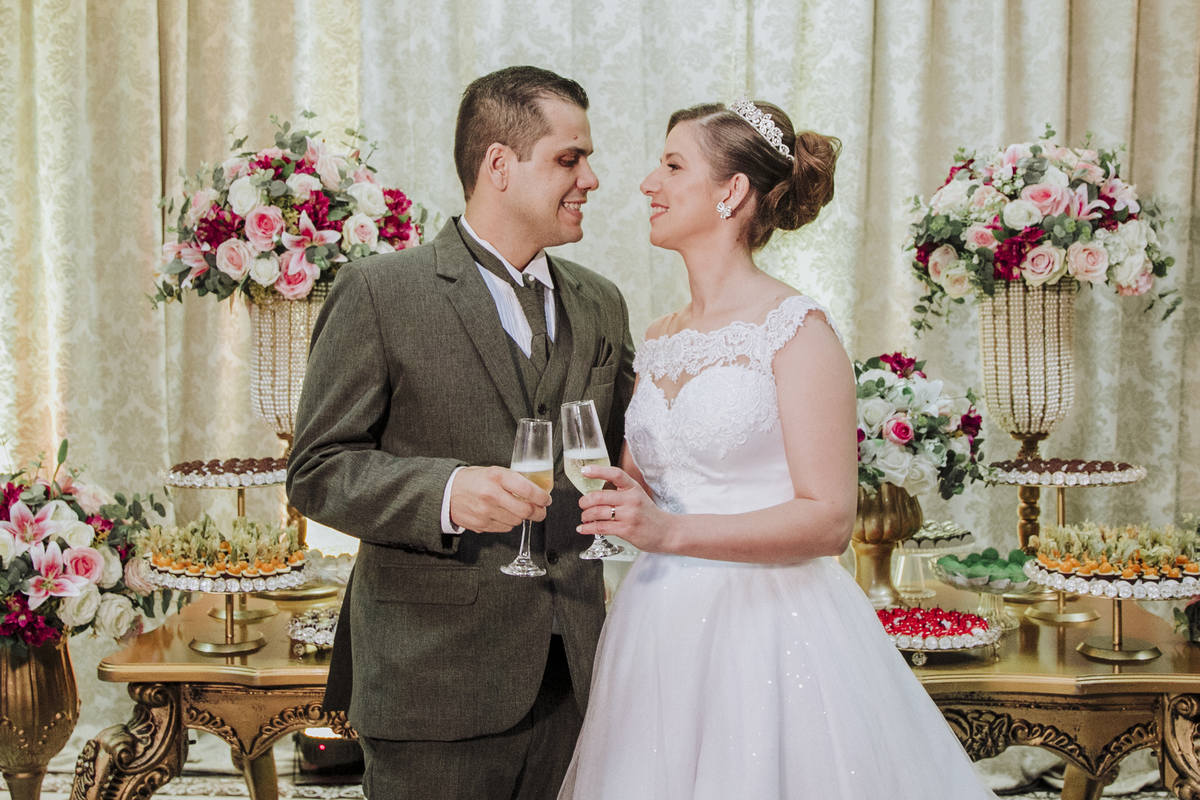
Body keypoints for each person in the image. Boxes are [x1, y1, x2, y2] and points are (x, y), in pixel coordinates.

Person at [557, 99, 997, 799]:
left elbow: (829, 521)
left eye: (672, 166)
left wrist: (670, 532)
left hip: (769, 626)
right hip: (658, 622)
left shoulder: (796, 329)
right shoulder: (661, 336)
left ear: (731, 191)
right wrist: (619, 495)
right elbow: (651, 485)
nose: (647, 183)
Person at [288, 65, 636, 800]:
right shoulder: (379, 292)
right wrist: (445, 492)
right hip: (431, 682)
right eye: (569, 158)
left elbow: (620, 457)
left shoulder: (601, 304)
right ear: (499, 165)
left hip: (579, 679)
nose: (591, 179)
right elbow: (317, 469)